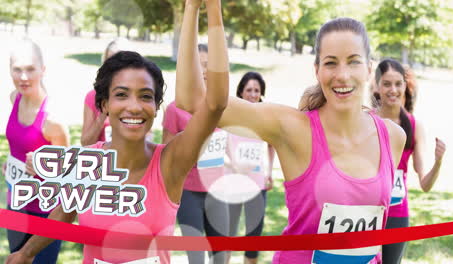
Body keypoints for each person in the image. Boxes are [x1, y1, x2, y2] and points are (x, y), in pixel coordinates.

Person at [5, 0, 228, 263]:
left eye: (145, 96)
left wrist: (202, 8)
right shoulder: (88, 162)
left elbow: (214, 104)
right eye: (121, 95)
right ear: (104, 105)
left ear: (156, 107)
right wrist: (26, 253)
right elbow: (65, 212)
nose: (134, 106)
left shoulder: (171, 162)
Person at [176, 17, 406, 263]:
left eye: (353, 62)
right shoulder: (294, 128)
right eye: (331, 63)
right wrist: (197, 8)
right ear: (317, 70)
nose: (342, 75)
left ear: (369, 68)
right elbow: (192, 99)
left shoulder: (393, 136)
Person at [161, 36, 229, 264]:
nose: (204, 70)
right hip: (188, 192)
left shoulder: (223, 107)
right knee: (196, 259)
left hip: (218, 191)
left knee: (222, 256)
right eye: (198, 64)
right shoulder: (175, 109)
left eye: (208, 64)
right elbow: (167, 159)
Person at [372, 59, 446, 264]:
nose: (393, 90)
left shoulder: (414, 126)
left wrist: (438, 162)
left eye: (398, 84)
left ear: (405, 86)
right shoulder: (366, 120)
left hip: (396, 214)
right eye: (387, 84)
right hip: (366, 211)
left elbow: (425, 185)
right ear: (377, 86)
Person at [4, 38, 70, 264]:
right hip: (16, 204)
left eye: (30, 69)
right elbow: (19, 146)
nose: (23, 77)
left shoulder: (52, 120)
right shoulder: (15, 99)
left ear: (43, 70)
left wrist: (44, 167)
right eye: (17, 69)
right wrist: (11, 163)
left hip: (44, 213)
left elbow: (67, 176)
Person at [225, 71, 275, 264]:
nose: (253, 94)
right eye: (249, 90)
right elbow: (219, 147)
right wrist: (233, 165)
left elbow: (272, 144)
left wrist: (269, 172)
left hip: (257, 185)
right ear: (241, 92)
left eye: (257, 90)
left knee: (253, 236)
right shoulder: (229, 116)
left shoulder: (265, 118)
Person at [81, 38, 131, 146]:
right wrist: (103, 114)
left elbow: (147, 140)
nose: (115, 67)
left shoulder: (137, 97)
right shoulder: (93, 96)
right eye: (110, 61)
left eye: (121, 62)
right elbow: (85, 144)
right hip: (102, 160)